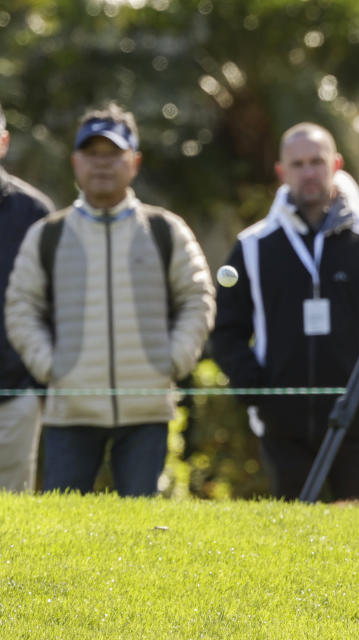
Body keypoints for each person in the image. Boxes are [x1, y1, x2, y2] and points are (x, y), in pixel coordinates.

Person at [5, 102, 215, 496]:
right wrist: (50, 367)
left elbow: (197, 296)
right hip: (71, 411)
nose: (102, 164)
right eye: (92, 154)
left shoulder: (165, 230)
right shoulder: (48, 233)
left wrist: (173, 360)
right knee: (64, 533)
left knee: (141, 533)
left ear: (134, 162)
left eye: (113, 154)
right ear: (75, 162)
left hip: (146, 410)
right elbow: (21, 306)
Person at [211, 123, 359, 503]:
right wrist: (259, 392)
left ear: (336, 164)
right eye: (298, 164)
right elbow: (226, 330)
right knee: (294, 549)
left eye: (317, 161)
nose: (308, 172)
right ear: (281, 171)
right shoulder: (253, 246)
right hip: (282, 432)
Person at [0, 103, 55, 492]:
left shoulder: (34, 212)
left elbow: (53, 304)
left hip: (14, 395)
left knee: (11, 520)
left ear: (3, 143)